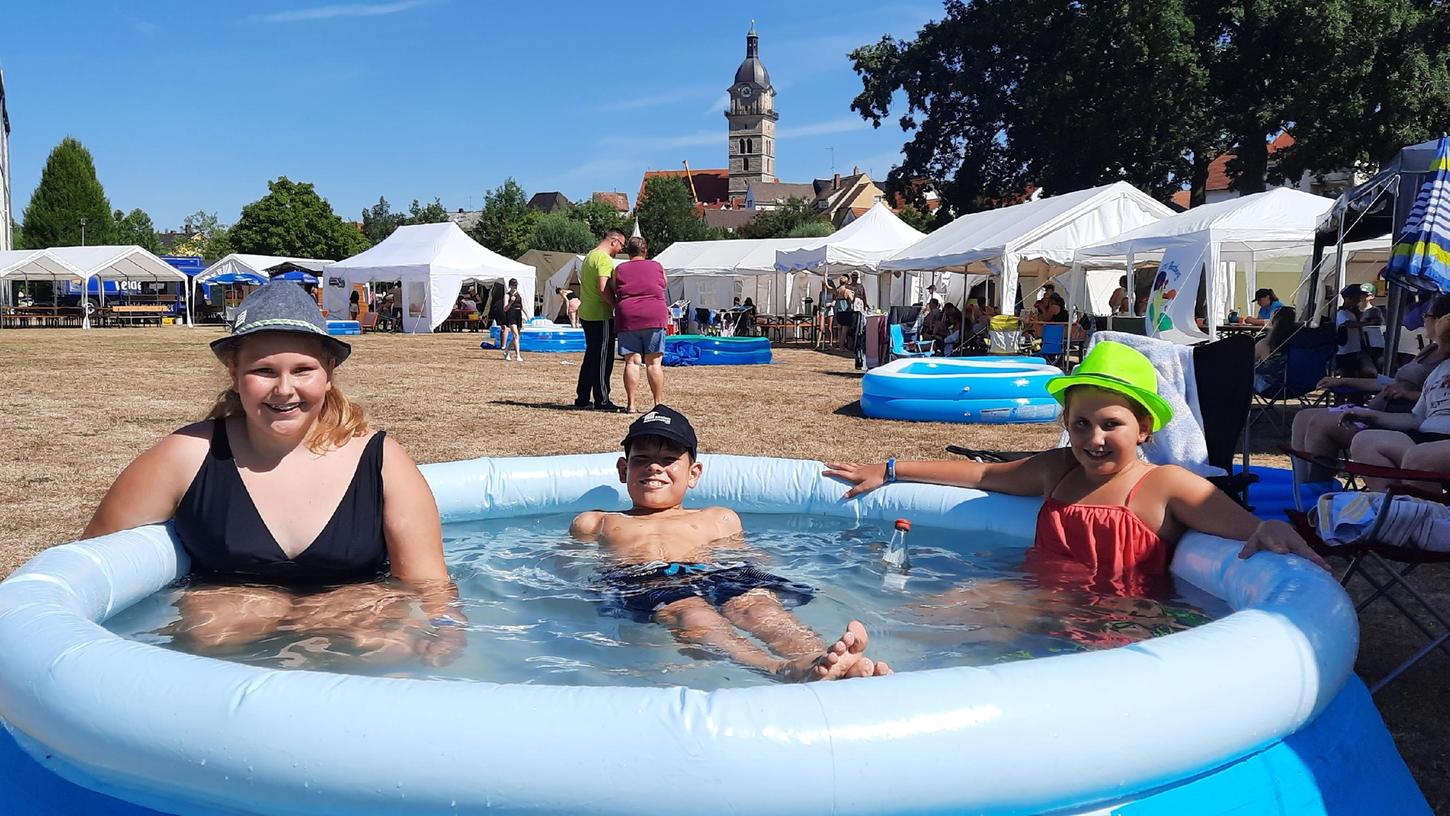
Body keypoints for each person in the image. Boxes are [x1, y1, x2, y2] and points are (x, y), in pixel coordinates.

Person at [84, 283, 463, 666]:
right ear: (234, 373)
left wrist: (447, 632)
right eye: (264, 371)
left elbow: (429, 585)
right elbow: (92, 567)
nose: (284, 390)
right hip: (227, 643)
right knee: (218, 623)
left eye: (303, 370)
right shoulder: (185, 457)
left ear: (329, 373)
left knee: (381, 636)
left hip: (355, 633)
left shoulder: (381, 460)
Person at [825, 341, 1329, 599]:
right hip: (1032, 596)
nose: (1093, 438)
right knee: (928, 610)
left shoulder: (1165, 486)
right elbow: (981, 476)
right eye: (1081, 423)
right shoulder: (1059, 470)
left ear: (1145, 428)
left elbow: (1252, 527)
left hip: (1115, 616)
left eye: (1112, 424)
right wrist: (889, 469)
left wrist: (1276, 530)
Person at [570, 406, 891, 681]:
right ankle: (778, 668)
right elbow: (570, 565)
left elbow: (748, 558)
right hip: (648, 580)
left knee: (758, 606)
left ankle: (823, 660)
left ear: (694, 473)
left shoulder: (718, 518)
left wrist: (765, 582)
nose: (655, 467)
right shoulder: (598, 521)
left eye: (669, 460)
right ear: (624, 469)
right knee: (692, 613)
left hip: (714, 575)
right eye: (643, 459)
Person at [1345, 353, 1450, 491]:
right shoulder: (1441, 369)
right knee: (1364, 441)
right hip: (1428, 436)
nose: (1427, 331)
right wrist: (1372, 415)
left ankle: (1431, 511)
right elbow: (1416, 418)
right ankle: (1399, 507)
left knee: (1417, 457)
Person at [612, 236, 669, 413]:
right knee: (654, 363)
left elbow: (614, 289)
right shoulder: (657, 266)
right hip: (654, 314)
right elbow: (664, 284)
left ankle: (631, 404)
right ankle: (658, 404)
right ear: (645, 250)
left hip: (628, 316)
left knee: (632, 362)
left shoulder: (619, 269)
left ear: (627, 251)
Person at [576, 229, 626, 410]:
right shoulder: (604, 259)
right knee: (603, 359)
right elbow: (603, 287)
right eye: (621, 245)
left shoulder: (590, 256)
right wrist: (615, 306)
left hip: (587, 313)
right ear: (614, 241)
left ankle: (582, 396)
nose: (620, 250)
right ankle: (602, 399)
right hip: (600, 314)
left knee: (591, 356)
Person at [1335, 284, 1377, 377]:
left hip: (1354, 350)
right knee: (1346, 374)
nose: (1358, 300)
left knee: (1354, 372)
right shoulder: (1341, 313)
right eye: (1355, 297)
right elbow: (1348, 324)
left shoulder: (1351, 312)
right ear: (1347, 298)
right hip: (1344, 351)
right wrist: (1367, 324)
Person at [499, 278, 525, 362]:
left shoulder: (519, 294)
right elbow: (505, 309)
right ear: (510, 286)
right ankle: (518, 355)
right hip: (511, 315)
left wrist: (528, 316)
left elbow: (522, 307)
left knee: (516, 337)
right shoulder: (507, 295)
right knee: (516, 335)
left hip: (518, 315)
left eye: (516, 285)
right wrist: (511, 302)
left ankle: (507, 351)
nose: (515, 286)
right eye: (513, 285)